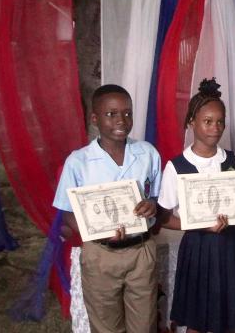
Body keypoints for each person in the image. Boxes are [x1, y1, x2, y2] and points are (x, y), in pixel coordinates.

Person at [53, 84, 162, 333]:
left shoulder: (147, 153)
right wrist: (95, 231)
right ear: (94, 118)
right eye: (110, 114)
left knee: (144, 325)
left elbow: (156, 195)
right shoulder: (78, 162)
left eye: (127, 113)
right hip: (100, 254)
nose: (121, 120)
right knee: (106, 327)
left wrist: (152, 204)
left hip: (141, 251)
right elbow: (67, 211)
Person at [157, 78, 235, 333]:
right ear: (191, 123)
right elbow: (162, 218)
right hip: (198, 251)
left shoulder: (234, 161)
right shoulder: (176, 166)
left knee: (228, 323)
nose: (215, 128)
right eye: (207, 121)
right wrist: (200, 225)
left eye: (220, 121)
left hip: (231, 251)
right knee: (197, 323)